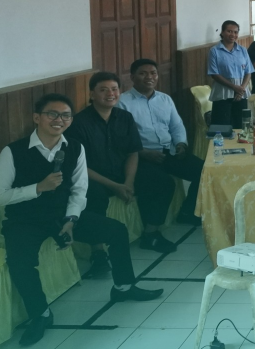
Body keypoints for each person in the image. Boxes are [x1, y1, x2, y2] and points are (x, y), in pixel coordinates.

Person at [0, 94, 164, 346]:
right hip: (25, 220)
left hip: (63, 215)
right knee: (20, 261)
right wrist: (37, 188)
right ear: (37, 117)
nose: (59, 120)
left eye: (65, 115)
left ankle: (124, 287)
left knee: (116, 230)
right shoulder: (13, 151)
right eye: (52, 114)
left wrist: (71, 220)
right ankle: (41, 314)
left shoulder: (74, 147)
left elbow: (79, 190)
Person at [69, 72, 181, 261]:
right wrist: (115, 186)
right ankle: (97, 252)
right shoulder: (79, 123)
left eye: (114, 89)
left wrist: (129, 181)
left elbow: (132, 152)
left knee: (163, 182)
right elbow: (79, 167)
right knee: (92, 195)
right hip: (94, 176)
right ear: (92, 94)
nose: (110, 94)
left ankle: (151, 234)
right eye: (103, 90)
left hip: (122, 172)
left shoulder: (125, 117)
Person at [118, 59, 204, 226]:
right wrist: (143, 153)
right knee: (162, 183)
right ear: (132, 77)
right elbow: (121, 138)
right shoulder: (122, 102)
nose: (149, 77)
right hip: (140, 157)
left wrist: (180, 144)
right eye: (143, 73)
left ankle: (188, 212)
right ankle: (151, 231)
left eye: (153, 73)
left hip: (168, 152)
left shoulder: (165, 99)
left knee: (204, 171)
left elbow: (176, 126)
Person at [208, 20, 253, 126]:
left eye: (235, 32)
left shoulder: (243, 50)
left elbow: (248, 71)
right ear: (222, 32)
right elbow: (214, 74)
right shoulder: (214, 51)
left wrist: (241, 89)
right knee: (222, 127)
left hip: (241, 94)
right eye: (229, 31)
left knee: (241, 126)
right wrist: (234, 87)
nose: (233, 34)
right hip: (222, 94)